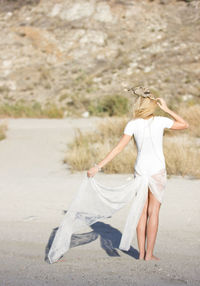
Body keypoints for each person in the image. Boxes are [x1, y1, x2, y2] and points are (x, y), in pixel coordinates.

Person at [87, 86, 189, 261]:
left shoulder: (133, 124)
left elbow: (118, 148)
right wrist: (167, 109)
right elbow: (185, 125)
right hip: (157, 170)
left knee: (141, 212)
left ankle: (141, 253)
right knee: (154, 212)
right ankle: (149, 254)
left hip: (141, 170)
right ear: (153, 105)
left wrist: (98, 166)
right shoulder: (160, 121)